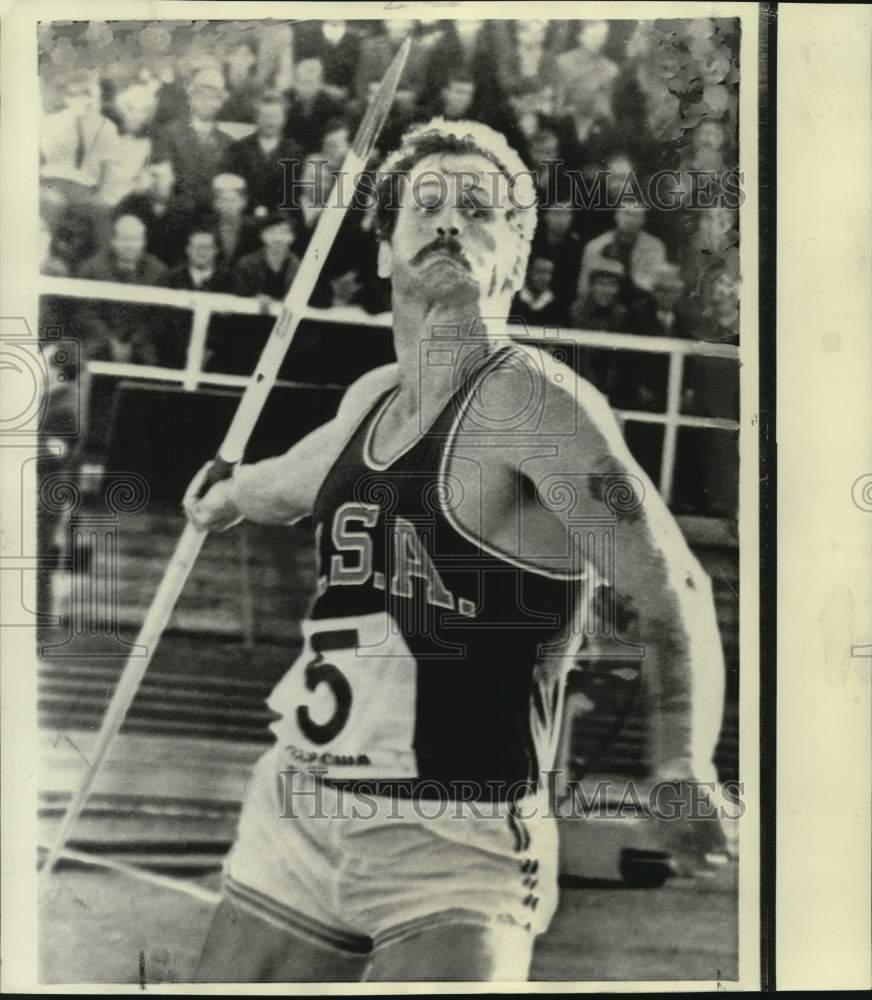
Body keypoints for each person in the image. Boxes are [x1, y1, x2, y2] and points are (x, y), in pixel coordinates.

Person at [185, 119, 728, 983]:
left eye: (479, 210)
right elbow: (282, 484)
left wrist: (681, 761)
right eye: (425, 205)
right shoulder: (369, 399)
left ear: (516, 257)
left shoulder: (537, 405)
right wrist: (221, 492)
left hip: (455, 840)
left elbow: (674, 588)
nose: (447, 222)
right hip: (297, 812)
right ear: (386, 248)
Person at [152, 67, 233, 211]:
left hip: (212, 215)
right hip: (177, 215)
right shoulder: (171, 134)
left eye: (214, 97)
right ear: (191, 98)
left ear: (220, 103)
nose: (206, 102)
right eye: (200, 95)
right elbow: (163, 185)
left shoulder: (227, 142)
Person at [222, 91, 303, 216]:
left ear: (284, 119)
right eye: (265, 116)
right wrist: (254, 208)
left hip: (280, 221)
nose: (270, 122)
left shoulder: (294, 151)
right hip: (246, 218)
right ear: (256, 118)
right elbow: (235, 189)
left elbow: (293, 193)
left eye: (275, 117)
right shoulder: (239, 148)